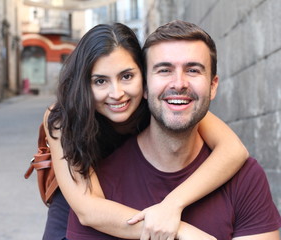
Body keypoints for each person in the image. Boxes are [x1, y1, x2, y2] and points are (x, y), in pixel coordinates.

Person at [66, 20, 281, 240]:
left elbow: (234, 149)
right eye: (165, 70)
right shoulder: (98, 182)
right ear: (146, 87)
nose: (179, 83)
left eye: (193, 70)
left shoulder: (244, 178)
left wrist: (171, 205)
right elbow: (87, 210)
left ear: (213, 86)